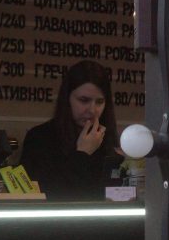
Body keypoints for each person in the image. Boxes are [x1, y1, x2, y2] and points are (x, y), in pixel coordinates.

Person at [19, 59, 121, 201]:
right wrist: (83, 154)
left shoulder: (106, 139)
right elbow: (47, 195)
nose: (92, 110)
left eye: (99, 102)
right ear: (67, 98)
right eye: (84, 100)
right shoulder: (40, 138)